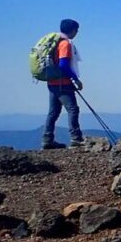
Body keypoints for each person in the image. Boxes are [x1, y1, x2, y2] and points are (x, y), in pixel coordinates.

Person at [42, 19, 84, 149]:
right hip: (63, 83)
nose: (77, 33)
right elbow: (64, 65)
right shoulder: (65, 44)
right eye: (76, 30)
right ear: (72, 30)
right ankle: (76, 138)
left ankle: (47, 139)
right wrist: (75, 79)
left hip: (52, 81)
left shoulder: (54, 43)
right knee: (73, 109)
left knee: (53, 112)